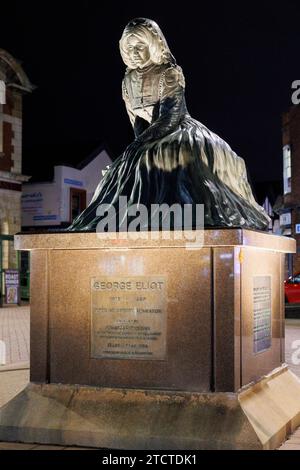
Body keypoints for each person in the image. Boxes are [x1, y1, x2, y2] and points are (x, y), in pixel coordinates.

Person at [67, 17, 270, 231]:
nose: (135, 52)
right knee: (124, 167)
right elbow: (137, 123)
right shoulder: (127, 82)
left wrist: (142, 144)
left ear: (154, 45)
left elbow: (171, 116)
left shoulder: (169, 73)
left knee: (172, 154)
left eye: (140, 46)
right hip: (150, 137)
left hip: (177, 129)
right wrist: (138, 147)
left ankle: (184, 213)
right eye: (130, 47)